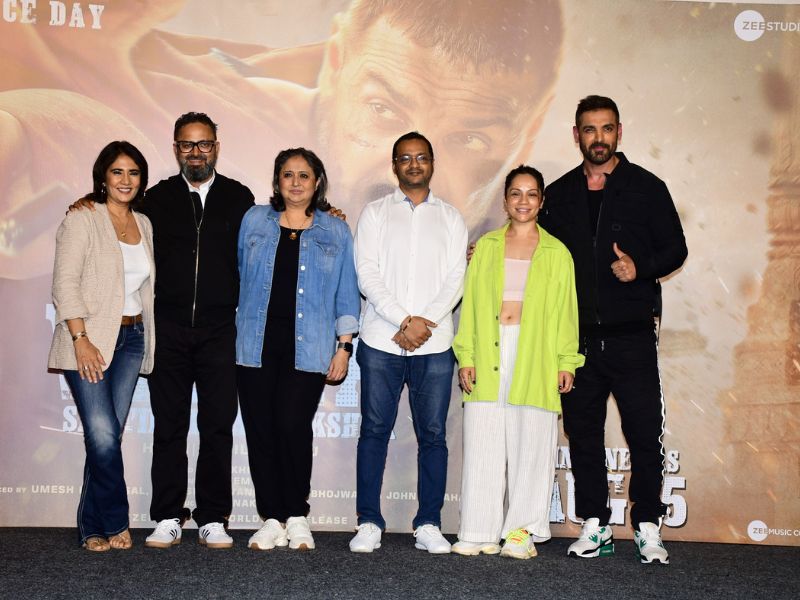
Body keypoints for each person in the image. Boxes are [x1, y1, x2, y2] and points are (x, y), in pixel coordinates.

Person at [539, 95, 688, 564]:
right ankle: (595, 525)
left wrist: (640, 268)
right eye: (589, 129)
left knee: (643, 434)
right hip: (577, 341)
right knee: (583, 436)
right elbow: (533, 245)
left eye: (606, 128)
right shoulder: (559, 193)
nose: (598, 138)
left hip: (632, 337)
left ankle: (647, 526)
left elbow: (676, 249)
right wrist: (488, 250)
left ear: (619, 132)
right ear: (577, 135)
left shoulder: (647, 186)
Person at [452, 165, 583, 559]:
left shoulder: (557, 253)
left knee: (533, 444)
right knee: (483, 440)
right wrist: (467, 355)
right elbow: (471, 307)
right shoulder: (486, 247)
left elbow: (567, 313)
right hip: (489, 349)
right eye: (515, 193)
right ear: (505, 200)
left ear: (541, 201)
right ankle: (478, 530)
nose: (523, 201)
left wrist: (566, 362)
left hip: (536, 354)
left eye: (531, 194)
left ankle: (520, 532)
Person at [236, 148, 360, 551]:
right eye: (287, 174)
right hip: (255, 344)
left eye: (304, 175)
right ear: (277, 180)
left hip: (309, 346)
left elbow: (347, 293)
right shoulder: (254, 220)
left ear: (317, 182)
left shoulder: (335, 231)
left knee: (292, 427)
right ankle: (272, 518)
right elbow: (237, 274)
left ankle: (296, 515)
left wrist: (344, 347)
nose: (295, 182)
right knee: (261, 430)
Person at [141, 112, 255, 549]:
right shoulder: (156, 198)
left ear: (216, 148)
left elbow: (281, 221)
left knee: (217, 426)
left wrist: (326, 211)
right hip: (168, 329)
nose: (195, 152)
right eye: (187, 144)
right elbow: (116, 213)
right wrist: (86, 201)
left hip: (220, 330)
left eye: (203, 143)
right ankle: (168, 515)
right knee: (168, 426)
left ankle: (212, 516)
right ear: (176, 149)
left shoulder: (239, 198)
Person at [350, 132, 468, 554]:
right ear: (394, 165)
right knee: (374, 431)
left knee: (433, 435)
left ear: (432, 163)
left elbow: (456, 278)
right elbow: (366, 273)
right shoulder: (375, 213)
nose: (414, 164)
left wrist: (424, 323)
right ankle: (368, 521)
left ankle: (429, 523)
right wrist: (403, 319)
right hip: (381, 340)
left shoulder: (451, 218)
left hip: (433, 346)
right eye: (405, 158)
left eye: (421, 157)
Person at [48, 141, 155, 551]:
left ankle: (90, 526)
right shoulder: (82, 218)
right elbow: (64, 283)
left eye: (133, 172)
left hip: (131, 340)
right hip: (89, 339)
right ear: (103, 177)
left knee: (106, 436)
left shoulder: (143, 223)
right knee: (103, 434)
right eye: (117, 171)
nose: (126, 180)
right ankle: (114, 521)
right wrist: (80, 339)